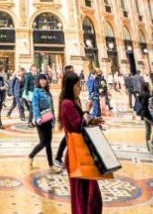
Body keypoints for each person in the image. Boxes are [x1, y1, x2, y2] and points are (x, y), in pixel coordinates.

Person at [58, 70, 103, 213]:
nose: (80, 88)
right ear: (70, 86)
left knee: (89, 193)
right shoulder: (67, 104)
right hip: (76, 155)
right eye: (78, 85)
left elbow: (80, 125)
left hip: (80, 153)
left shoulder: (71, 102)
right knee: (82, 196)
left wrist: (92, 120)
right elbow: (79, 126)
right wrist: (87, 111)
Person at [28, 73, 55, 169]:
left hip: (49, 119)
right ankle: (31, 155)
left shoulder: (48, 92)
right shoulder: (36, 91)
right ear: (38, 81)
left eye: (44, 79)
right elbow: (35, 106)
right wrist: (37, 118)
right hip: (41, 121)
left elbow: (52, 107)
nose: (43, 81)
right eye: (41, 80)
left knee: (49, 143)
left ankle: (51, 164)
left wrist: (53, 121)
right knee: (44, 142)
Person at [134, 82, 153, 153]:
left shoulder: (141, 94)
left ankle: (149, 147)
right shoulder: (146, 95)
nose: (150, 87)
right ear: (147, 87)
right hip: (148, 115)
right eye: (149, 86)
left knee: (148, 131)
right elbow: (145, 106)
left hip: (144, 115)